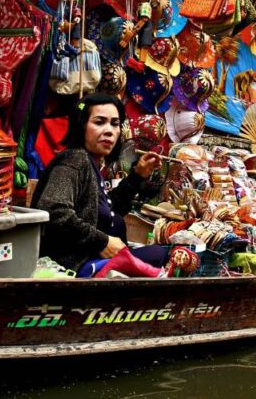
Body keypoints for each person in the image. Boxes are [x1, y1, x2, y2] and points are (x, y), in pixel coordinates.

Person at [30, 93, 165, 274]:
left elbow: (107, 211)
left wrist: (137, 176)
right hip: (72, 267)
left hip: (91, 260)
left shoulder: (91, 164)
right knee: (163, 254)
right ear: (82, 125)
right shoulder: (75, 160)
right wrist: (102, 241)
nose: (109, 130)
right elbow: (53, 210)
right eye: (99, 122)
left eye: (115, 124)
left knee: (160, 253)